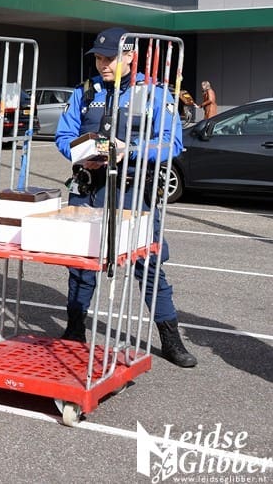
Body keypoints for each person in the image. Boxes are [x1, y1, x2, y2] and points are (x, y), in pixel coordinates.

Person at [54, 26, 197, 367]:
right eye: (99, 58)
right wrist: (80, 155)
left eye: (110, 58)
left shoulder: (154, 94)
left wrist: (129, 150)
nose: (103, 65)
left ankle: (171, 339)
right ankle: (75, 328)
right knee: (81, 263)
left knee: (148, 265)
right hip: (89, 189)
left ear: (130, 56)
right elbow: (64, 135)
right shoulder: (85, 92)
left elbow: (172, 143)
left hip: (134, 191)